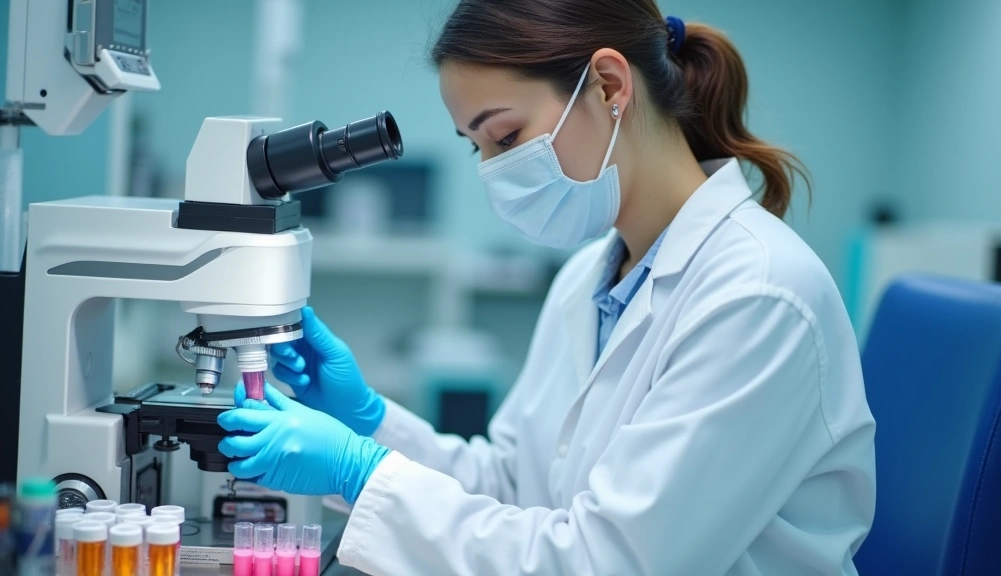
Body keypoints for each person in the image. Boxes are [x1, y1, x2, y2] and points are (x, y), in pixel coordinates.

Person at [217, 1, 876, 574]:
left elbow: (608, 562)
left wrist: (359, 474)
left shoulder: (757, 298)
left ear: (611, 85)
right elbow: (515, 487)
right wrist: (367, 421)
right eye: (477, 147)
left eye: (506, 135)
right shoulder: (589, 279)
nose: (494, 171)